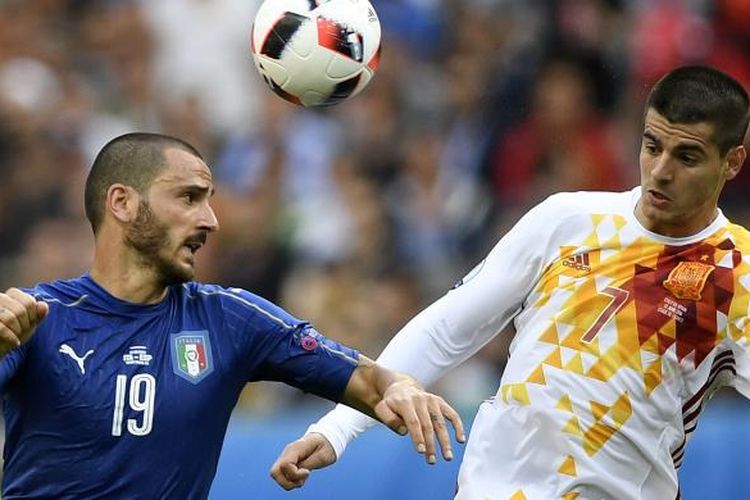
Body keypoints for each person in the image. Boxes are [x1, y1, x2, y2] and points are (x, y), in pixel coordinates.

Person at [272, 65, 750, 499]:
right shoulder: (568, 219)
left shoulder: (737, 273)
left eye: (687, 157)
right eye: (652, 146)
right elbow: (447, 328)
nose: (661, 171)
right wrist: (338, 428)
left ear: (732, 162)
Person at [0, 132, 465, 498]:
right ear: (122, 202)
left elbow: (369, 381)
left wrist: (399, 387)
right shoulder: (39, 318)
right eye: (188, 198)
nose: (210, 219)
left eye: (208, 199)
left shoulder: (229, 319)